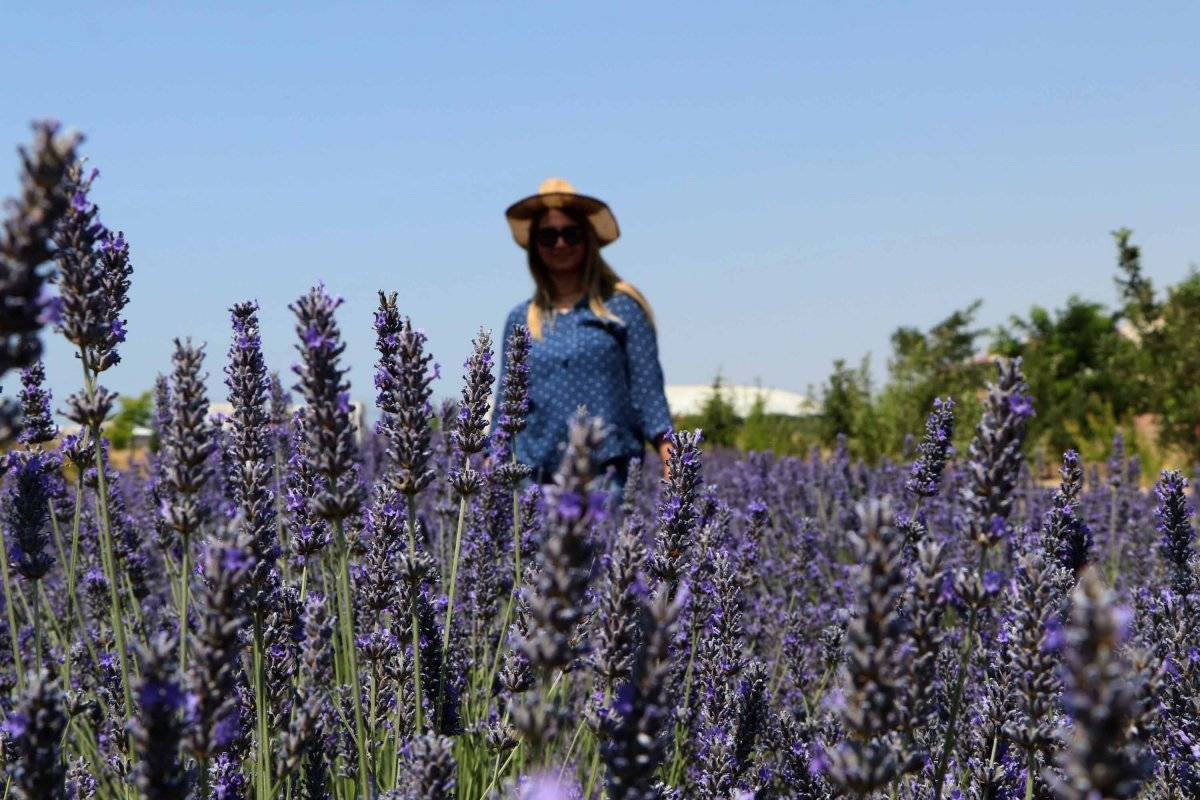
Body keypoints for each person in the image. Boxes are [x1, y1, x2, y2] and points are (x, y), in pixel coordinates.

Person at [493, 177, 673, 493]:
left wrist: (674, 462)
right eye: (548, 236)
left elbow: (649, 394)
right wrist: (488, 461)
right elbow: (507, 405)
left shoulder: (621, 307)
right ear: (535, 247)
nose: (560, 244)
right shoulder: (521, 318)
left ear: (588, 239)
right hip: (536, 477)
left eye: (570, 234)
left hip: (606, 473)